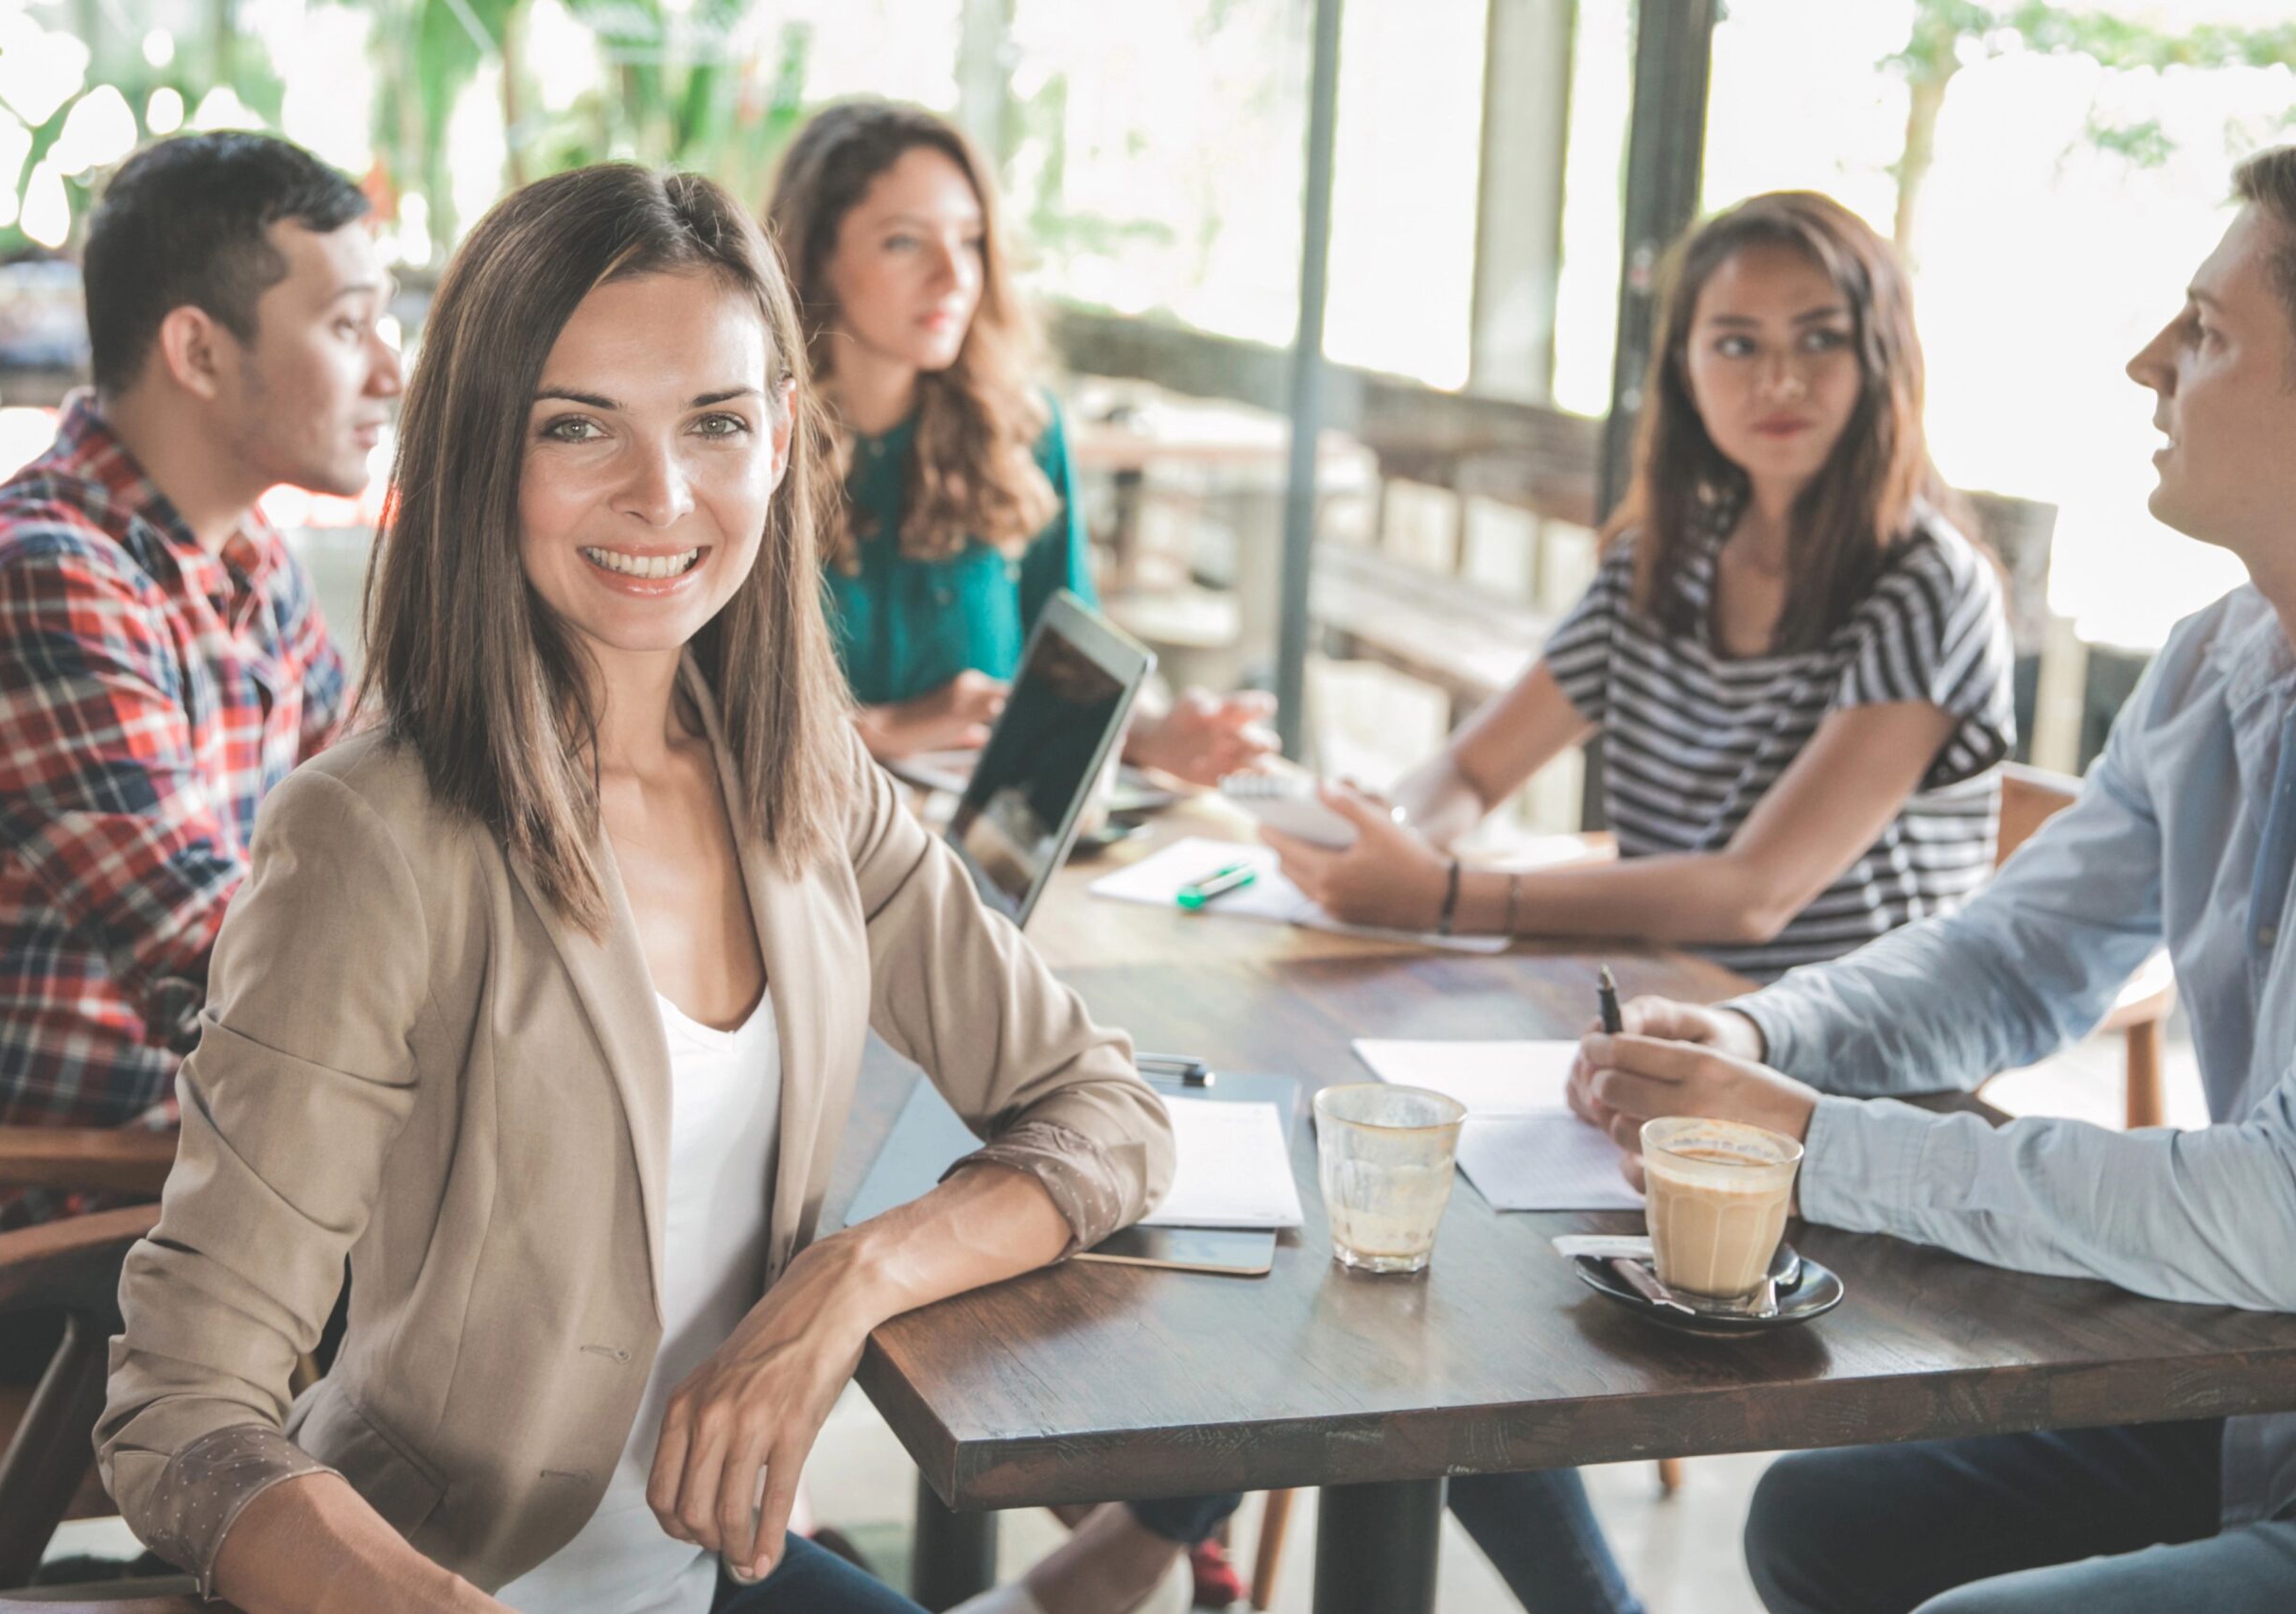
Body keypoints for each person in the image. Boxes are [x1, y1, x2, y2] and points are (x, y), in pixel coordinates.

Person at [93, 165, 1174, 1614]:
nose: (661, 497)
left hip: (702, 1569)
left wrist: (843, 1284)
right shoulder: (370, 835)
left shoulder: (804, 778)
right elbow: (183, 1410)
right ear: (482, 454)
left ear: (784, 437)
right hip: (439, 1578)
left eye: (716, 423)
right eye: (577, 425)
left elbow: (1102, 1107)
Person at [1570, 147, 2296, 1614]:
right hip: (2263, 1398)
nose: (2148, 360)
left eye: (2207, 332)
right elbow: (2016, 956)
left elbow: (2278, 1210)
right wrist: (1768, 1039)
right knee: (1821, 1523)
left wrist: (1810, 1143)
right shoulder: (2223, 655)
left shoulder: (1922, 576)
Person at [1264, 192, 2014, 984]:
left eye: (1822, 339)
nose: (1781, 380)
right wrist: (1386, 834)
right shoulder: (1661, 562)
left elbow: (1752, 896)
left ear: (1883, 358)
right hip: (1663, 1001)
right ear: (1685, 368)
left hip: (1844, 1042)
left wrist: (1444, 895)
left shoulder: (1928, 587)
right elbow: (1473, 771)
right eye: (1736, 344)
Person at [0, 131, 397, 1264]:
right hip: (3, 1221)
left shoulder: (250, 562)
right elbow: (221, 958)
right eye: (350, 327)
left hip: (173, 1170)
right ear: (199, 352)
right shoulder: (42, 579)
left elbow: (377, 841)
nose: (391, 374)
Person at [769, 98, 1276, 789]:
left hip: (982, 845)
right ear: (818, 256)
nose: (954, 277)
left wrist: (1155, 735)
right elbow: (688, 717)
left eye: (971, 240)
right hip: (804, 843)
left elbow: (1068, 659)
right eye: (905, 242)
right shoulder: (749, 441)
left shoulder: (1022, 431)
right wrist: (885, 730)